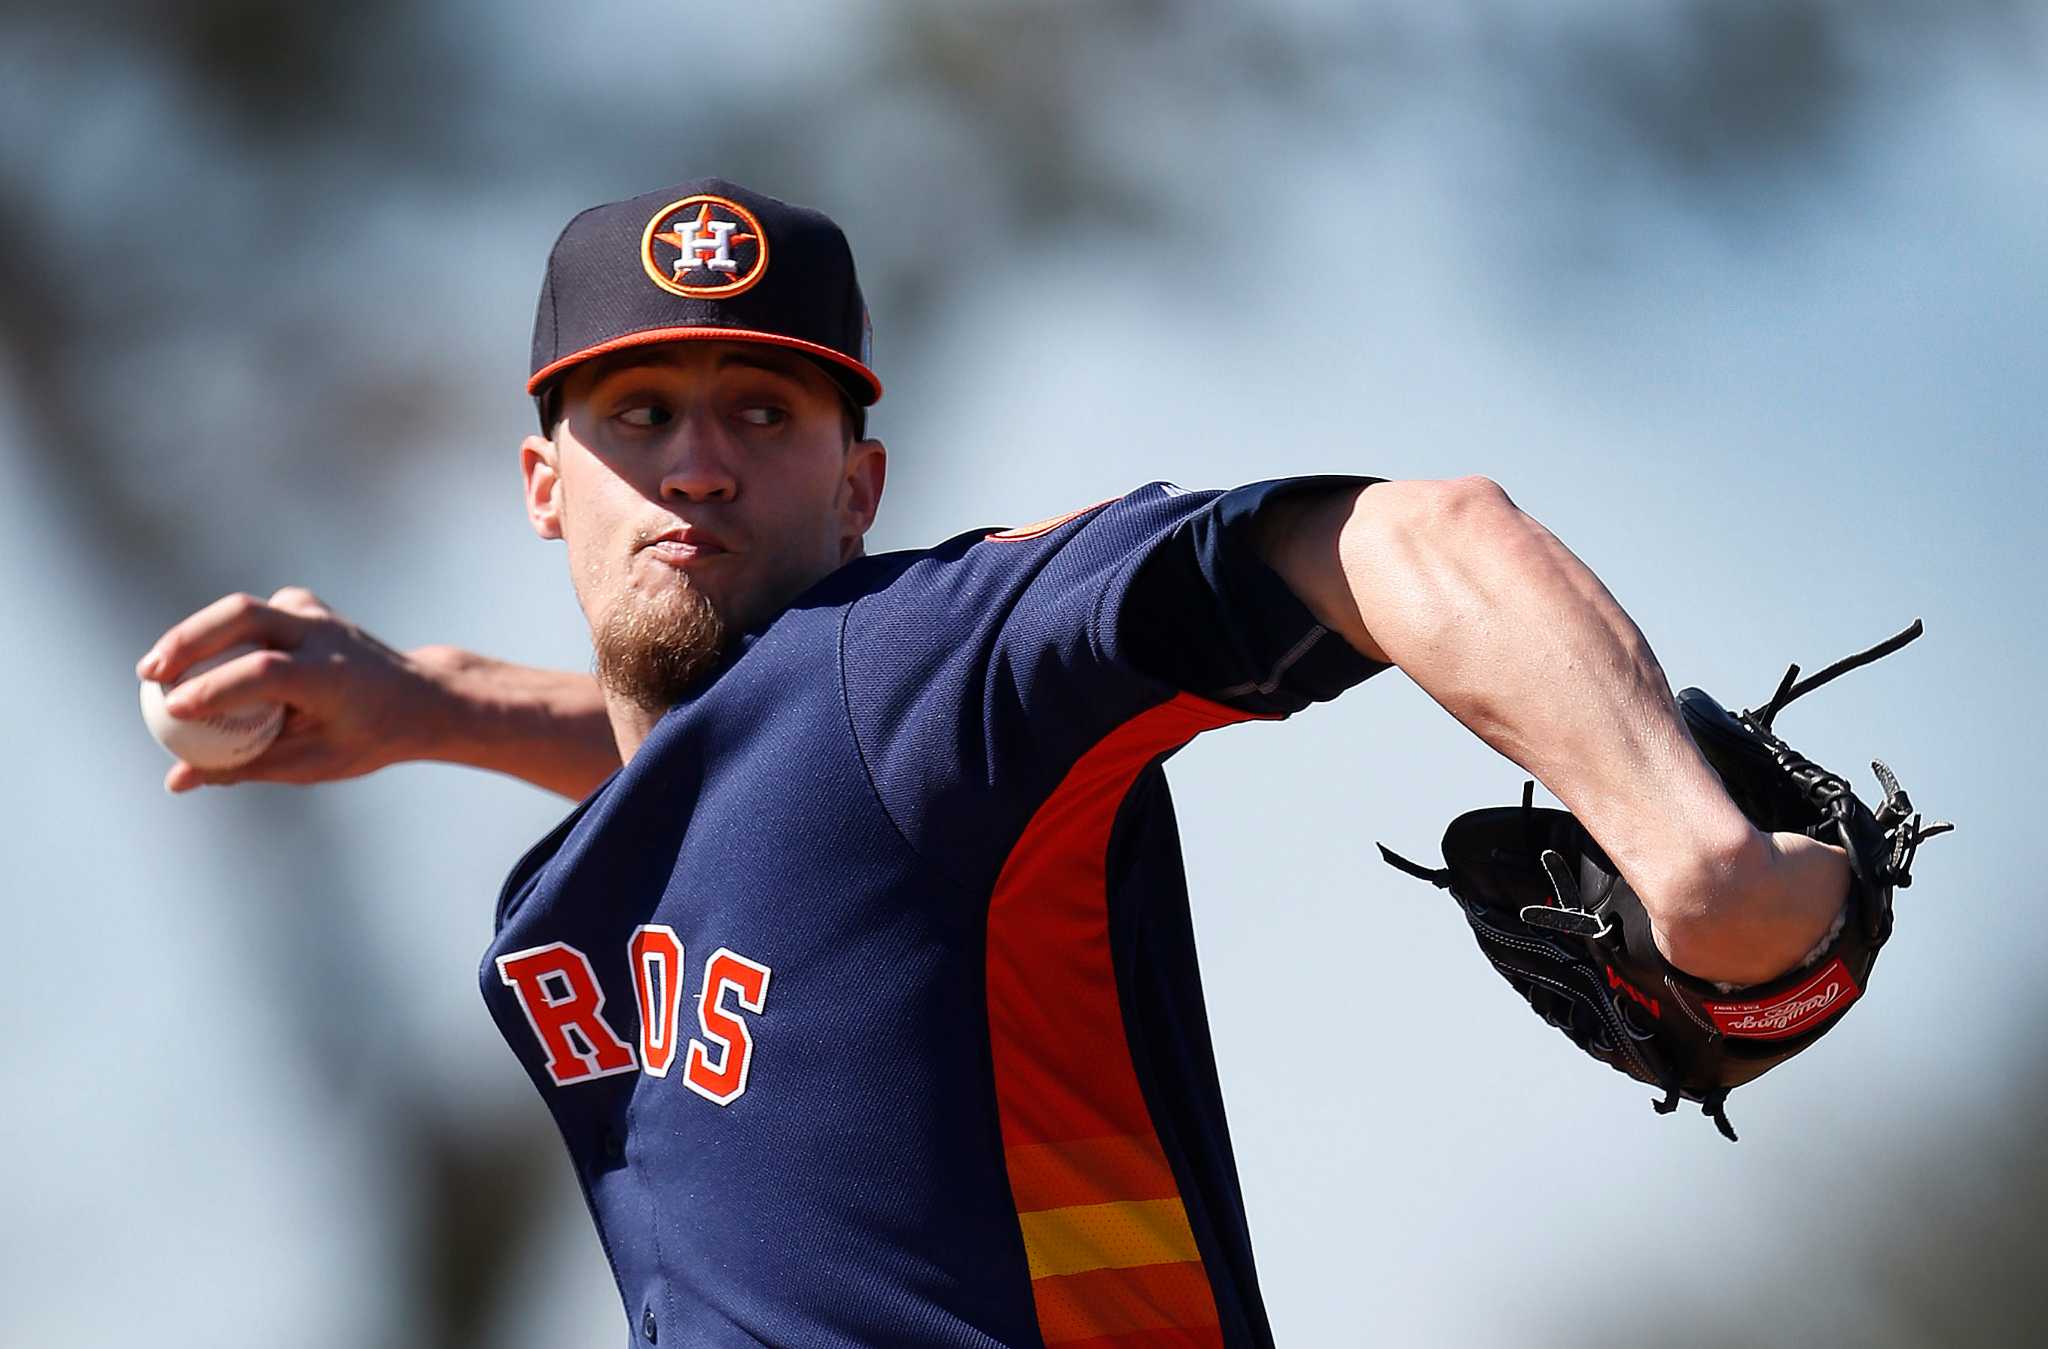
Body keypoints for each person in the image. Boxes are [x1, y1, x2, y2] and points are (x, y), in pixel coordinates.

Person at [136, 178, 1851, 1347]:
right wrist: (435, 701)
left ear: (859, 488)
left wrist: (1691, 852)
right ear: (542, 482)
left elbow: (1409, 534)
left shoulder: (928, 665)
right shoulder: (708, 810)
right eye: (640, 413)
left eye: (766, 413)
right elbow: (739, 784)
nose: (701, 464)